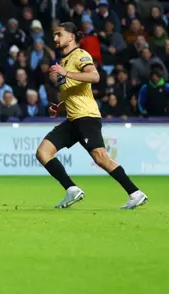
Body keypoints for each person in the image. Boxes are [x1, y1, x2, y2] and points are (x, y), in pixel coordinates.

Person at [36, 22, 147, 209]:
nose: (55, 38)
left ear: (71, 37)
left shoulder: (80, 55)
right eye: (54, 35)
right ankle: (71, 189)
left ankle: (135, 193)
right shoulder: (63, 61)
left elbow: (94, 76)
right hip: (72, 119)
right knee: (43, 152)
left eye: (59, 34)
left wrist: (66, 72)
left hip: (87, 117)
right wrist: (60, 107)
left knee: (100, 158)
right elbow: (74, 91)